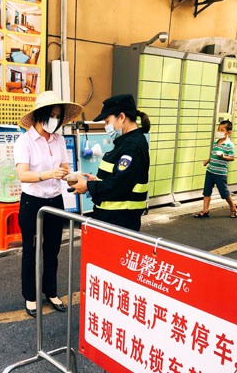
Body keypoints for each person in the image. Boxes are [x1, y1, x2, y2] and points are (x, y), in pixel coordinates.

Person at [14, 91, 83, 317]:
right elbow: (23, 175)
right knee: (31, 252)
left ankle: (51, 292)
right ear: (39, 115)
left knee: (53, 250)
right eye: (51, 115)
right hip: (32, 203)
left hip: (55, 201)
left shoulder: (59, 140)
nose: (55, 120)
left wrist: (74, 177)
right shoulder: (24, 141)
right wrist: (48, 174)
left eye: (58, 116)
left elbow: (64, 168)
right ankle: (30, 296)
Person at [72, 94, 150, 231]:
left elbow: (119, 185)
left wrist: (88, 186)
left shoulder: (132, 147)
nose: (106, 126)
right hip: (113, 219)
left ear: (122, 117)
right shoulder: (126, 143)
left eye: (107, 121)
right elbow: (120, 177)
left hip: (120, 221)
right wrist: (97, 180)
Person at [194, 120, 237, 219]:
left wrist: (223, 156)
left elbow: (232, 158)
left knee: (224, 193)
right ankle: (205, 210)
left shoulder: (229, 145)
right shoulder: (216, 143)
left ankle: (233, 208)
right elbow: (213, 155)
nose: (219, 132)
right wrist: (207, 161)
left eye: (222, 130)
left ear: (229, 132)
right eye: (218, 129)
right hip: (210, 171)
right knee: (206, 191)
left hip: (220, 173)